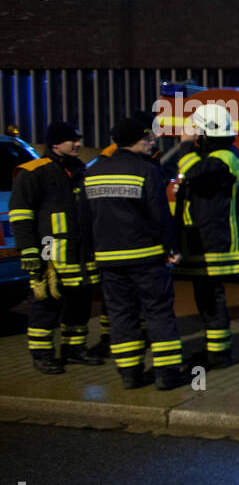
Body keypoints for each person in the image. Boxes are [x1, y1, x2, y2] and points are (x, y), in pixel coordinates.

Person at [85, 119, 187, 390]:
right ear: (135, 140)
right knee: (158, 312)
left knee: (120, 315)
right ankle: (166, 374)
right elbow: (160, 214)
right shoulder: (146, 170)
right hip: (146, 257)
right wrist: (172, 248)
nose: (153, 141)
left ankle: (130, 374)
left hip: (108, 259)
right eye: (148, 138)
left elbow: (84, 217)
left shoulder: (93, 171)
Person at [9, 121, 102, 374]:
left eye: (78, 140)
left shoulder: (80, 169)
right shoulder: (33, 171)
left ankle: (74, 349)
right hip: (50, 253)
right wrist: (28, 249)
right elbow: (20, 215)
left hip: (81, 254)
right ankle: (42, 354)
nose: (78, 144)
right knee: (47, 305)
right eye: (72, 140)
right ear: (54, 144)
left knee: (80, 303)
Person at [172, 104, 239, 369]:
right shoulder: (215, 155)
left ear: (205, 131)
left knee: (211, 298)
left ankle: (218, 356)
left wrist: (184, 147)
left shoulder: (224, 159)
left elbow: (193, 175)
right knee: (205, 298)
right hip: (205, 238)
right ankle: (213, 351)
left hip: (213, 242)